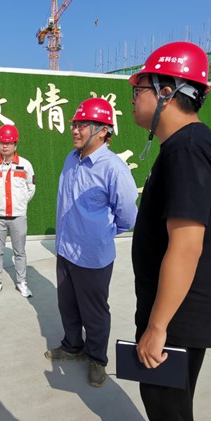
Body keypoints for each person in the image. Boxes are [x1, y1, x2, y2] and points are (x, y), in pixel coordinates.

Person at [126, 41, 211, 421]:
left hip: (177, 317)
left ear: (167, 92)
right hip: (183, 310)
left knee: (170, 413)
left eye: (140, 89)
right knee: (170, 404)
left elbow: (187, 245)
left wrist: (157, 327)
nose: (134, 98)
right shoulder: (189, 144)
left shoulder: (187, 149)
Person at [45, 97, 138, 387]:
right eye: (74, 124)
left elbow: (128, 215)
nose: (75, 130)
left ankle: (97, 360)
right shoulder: (71, 159)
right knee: (67, 305)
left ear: (102, 131)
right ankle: (72, 346)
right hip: (66, 251)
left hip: (93, 256)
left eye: (83, 125)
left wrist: (101, 234)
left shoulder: (113, 168)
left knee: (95, 313)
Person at [0, 124, 36, 298]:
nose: (5, 146)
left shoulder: (25, 165)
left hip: (18, 216)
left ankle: (21, 282)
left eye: (9, 142)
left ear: (15, 144)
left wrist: (20, 202)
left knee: (19, 252)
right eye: (2, 142)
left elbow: (31, 187)